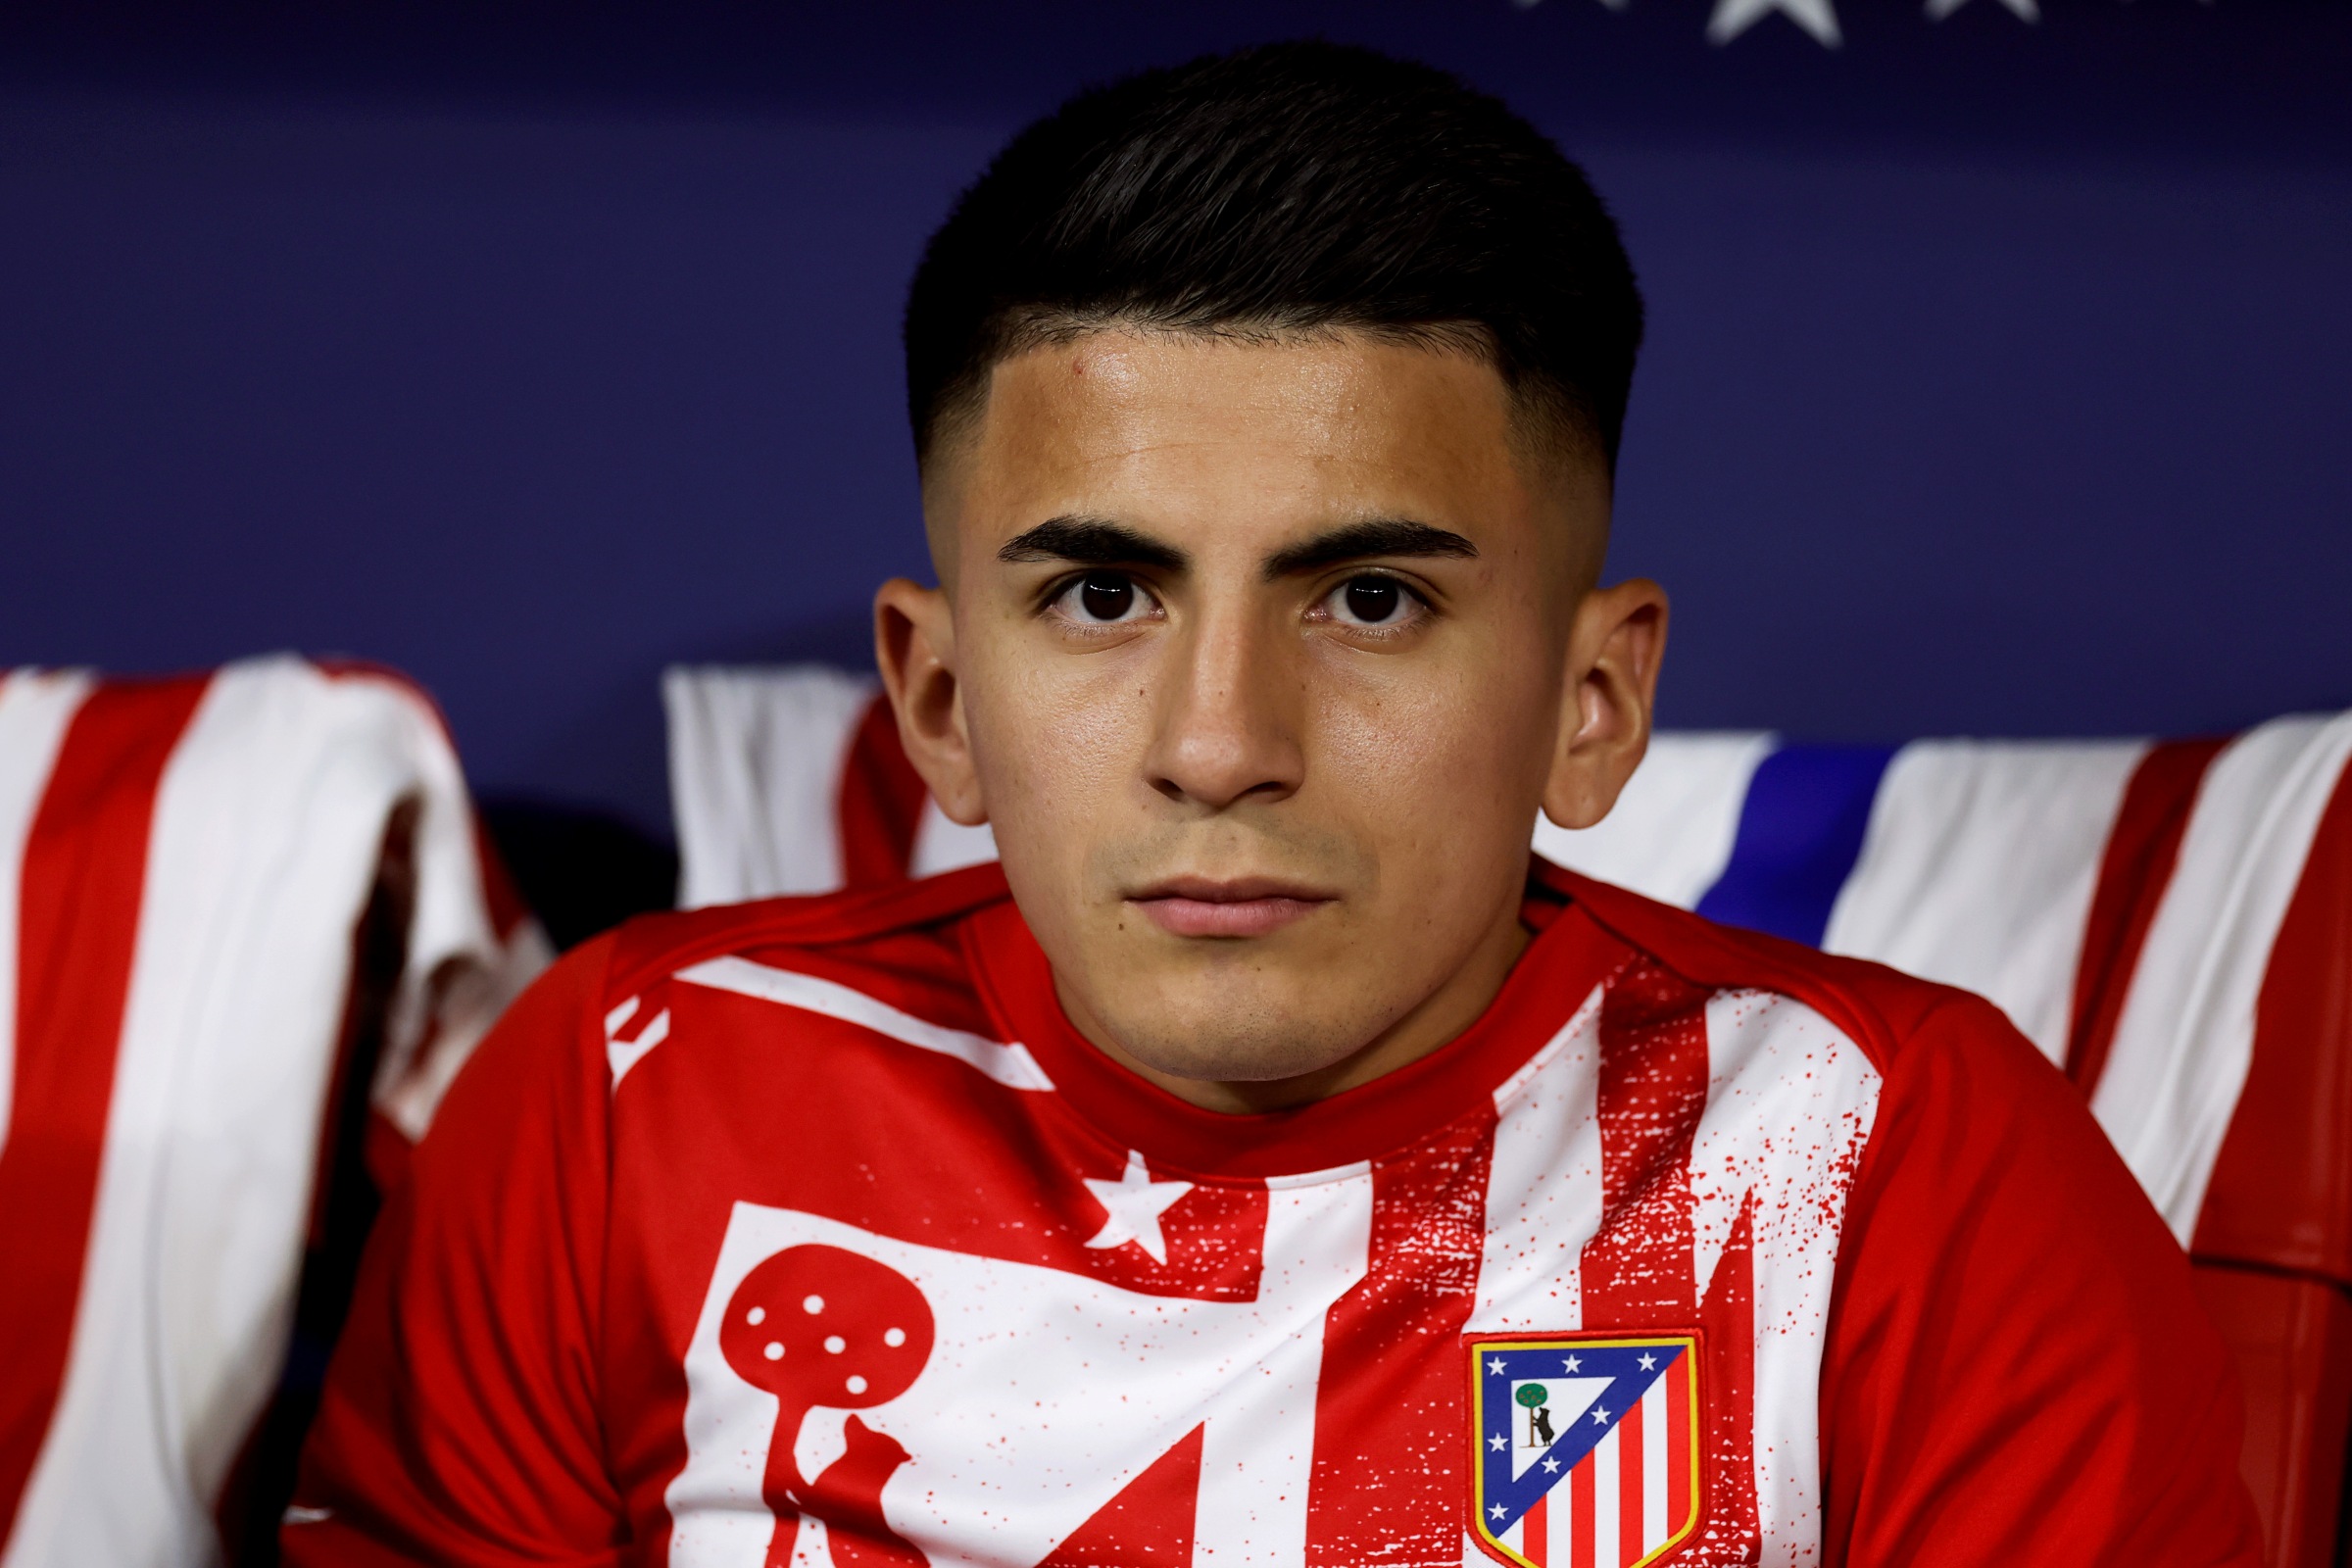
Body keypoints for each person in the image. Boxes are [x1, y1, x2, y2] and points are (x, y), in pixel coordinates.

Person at [284, 41, 2261, 1568]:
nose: (1220, 741)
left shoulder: (1897, 1165)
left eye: (1370, 598)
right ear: (940, 700)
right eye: (1103, 596)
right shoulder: (621, 1096)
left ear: (1592, 703)